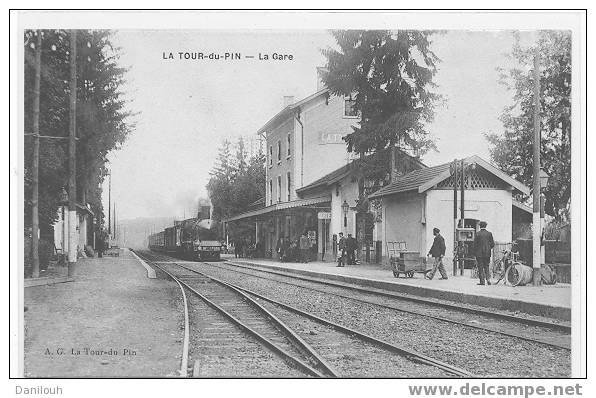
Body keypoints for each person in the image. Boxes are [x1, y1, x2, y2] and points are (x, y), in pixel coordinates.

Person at [474, 221, 495, 285]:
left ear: (480, 226)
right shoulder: (489, 234)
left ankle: (482, 282)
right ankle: (488, 279)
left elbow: (475, 245)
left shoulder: (477, 234)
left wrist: (475, 252)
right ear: (486, 226)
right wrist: (488, 249)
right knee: (486, 266)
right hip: (487, 253)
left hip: (479, 254)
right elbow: (492, 244)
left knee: (480, 267)